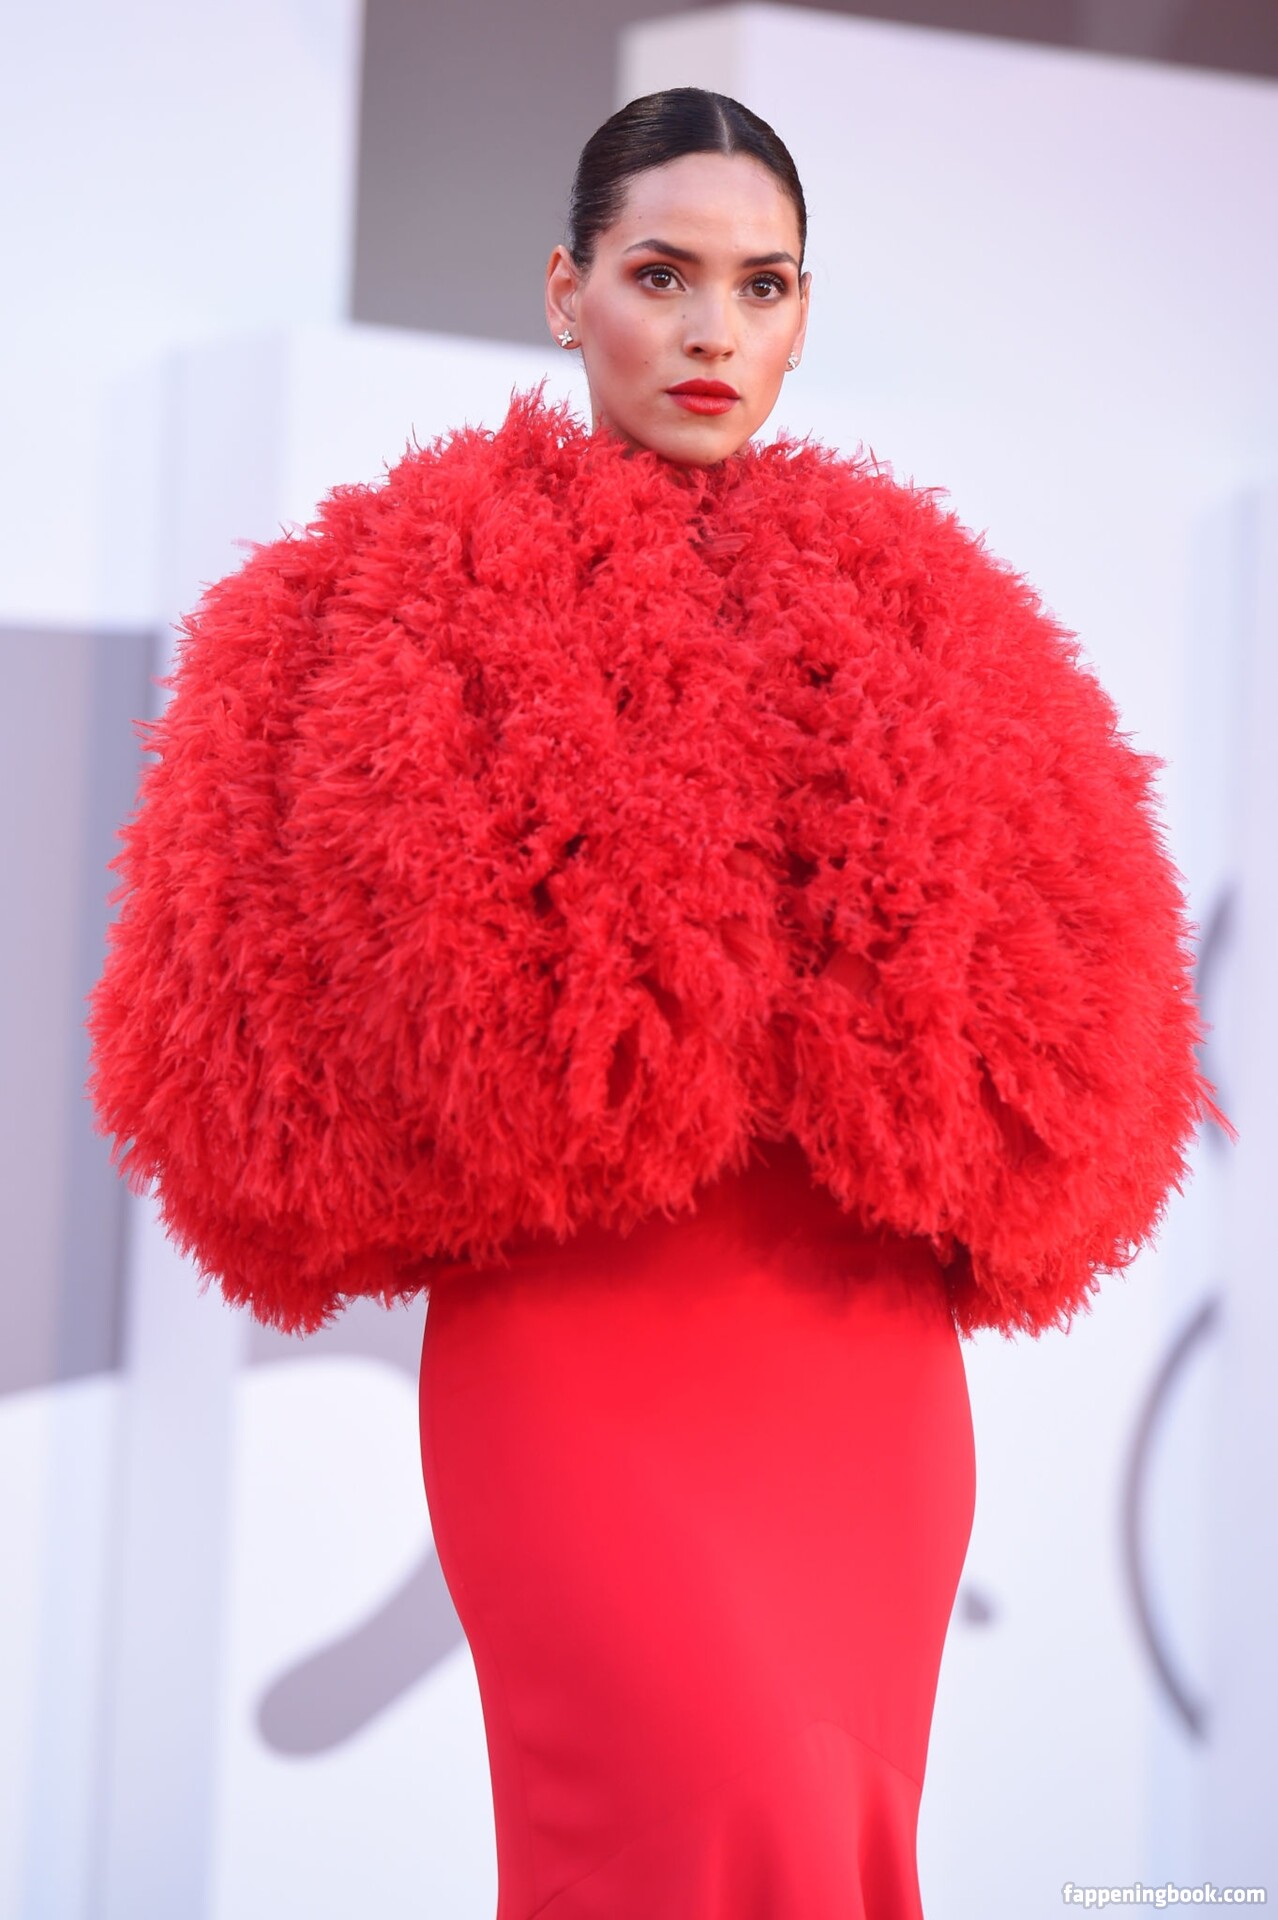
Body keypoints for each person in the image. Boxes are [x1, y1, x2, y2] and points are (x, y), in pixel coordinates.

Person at [87, 87, 1231, 1920]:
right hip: (571, 1345)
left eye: (761, 285)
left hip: (854, 1354)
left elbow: (1080, 993)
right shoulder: (379, 603)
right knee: (696, 1817)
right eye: (660, 274)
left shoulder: (931, 621)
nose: (712, 330)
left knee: (833, 1828)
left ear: (802, 313)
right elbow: (235, 1018)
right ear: (566, 292)